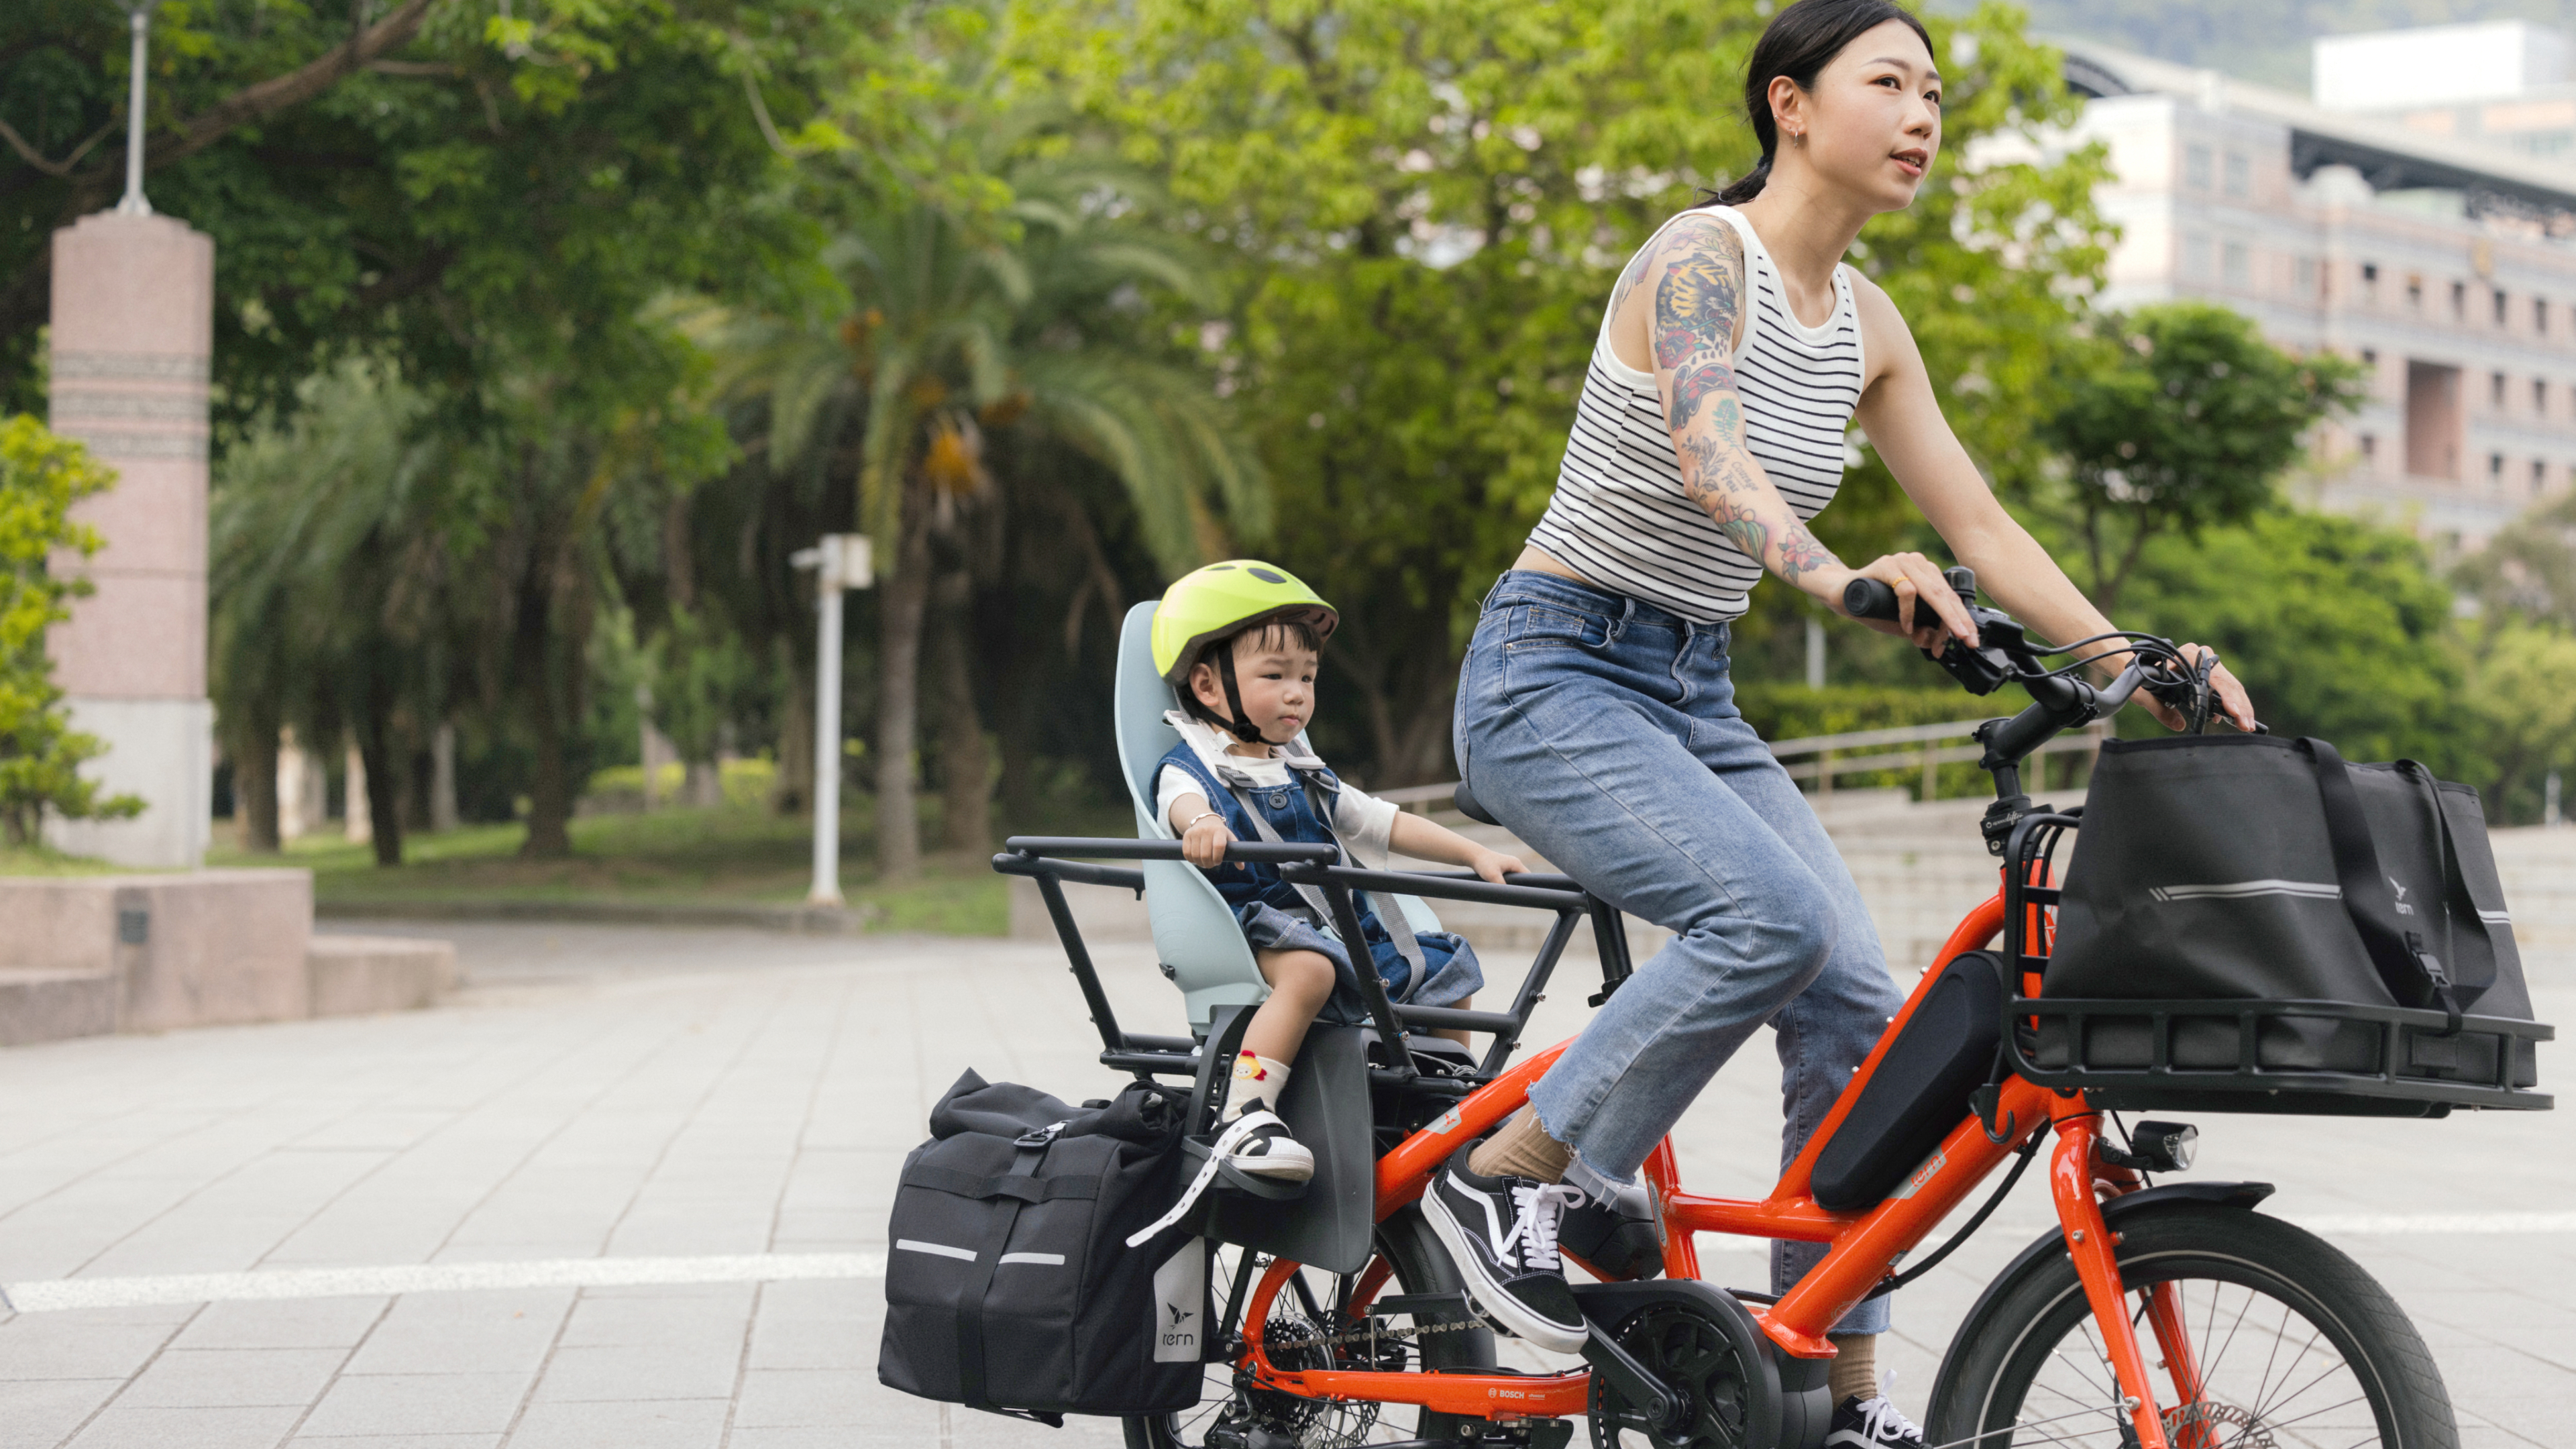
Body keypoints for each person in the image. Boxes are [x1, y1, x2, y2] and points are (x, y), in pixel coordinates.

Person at [1422, 2, 2258, 1444]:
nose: (1925, 113)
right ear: (1790, 106)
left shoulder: (1871, 324)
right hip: (1551, 674)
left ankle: (1830, 1391)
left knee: (1861, 1012)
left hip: (1691, 689)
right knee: (1768, 922)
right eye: (1891, 82)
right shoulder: (1702, 258)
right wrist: (1835, 575)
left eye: (1937, 90)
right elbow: (1706, 446)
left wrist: (2142, 661)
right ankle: (1517, 1174)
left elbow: (1979, 523)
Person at [1150, 560, 1529, 1182]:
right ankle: (1246, 1111)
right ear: (1209, 686)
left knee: (1448, 963)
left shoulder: (1302, 767)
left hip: (1336, 925)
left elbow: (1382, 822)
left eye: (1308, 675)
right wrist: (1201, 827)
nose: (1297, 691)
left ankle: (1448, 1097)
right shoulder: (1192, 765)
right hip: (1257, 924)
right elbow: (1179, 806)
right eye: (1274, 675)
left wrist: (1473, 853)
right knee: (1308, 972)